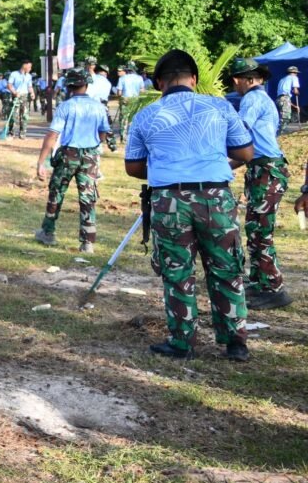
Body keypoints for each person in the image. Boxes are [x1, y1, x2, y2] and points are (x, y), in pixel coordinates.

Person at [125, 49, 254, 362]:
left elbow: (133, 167)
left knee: (177, 270)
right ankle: (235, 343)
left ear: (159, 83)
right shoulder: (220, 107)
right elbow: (246, 153)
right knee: (227, 268)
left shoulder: (145, 116)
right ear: (194, 79)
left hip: (169, 200)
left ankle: (182, 342)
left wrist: (163, 170)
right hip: (215, 197)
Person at [228, 58, 291, 310]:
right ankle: (259, 279)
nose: (236, 85)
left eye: (236, 80)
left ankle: (273, 287)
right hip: (262, 167)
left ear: (243, 79)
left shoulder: (252, 99)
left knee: (261, 230)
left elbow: (240, 132)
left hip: (266, 169)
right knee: (255, 227)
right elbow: (251, 147)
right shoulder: (265, 99)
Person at [32, 69, 108, 252]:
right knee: (88, 198)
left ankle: (48, 232)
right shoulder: (98, 107)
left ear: (69, 86)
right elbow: (103, 133)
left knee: (56, 193)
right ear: (87, 84)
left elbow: (52, 135)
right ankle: (87, 242)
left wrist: (41, 161)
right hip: (90, 156)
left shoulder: (65, 106)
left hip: (68, 155)